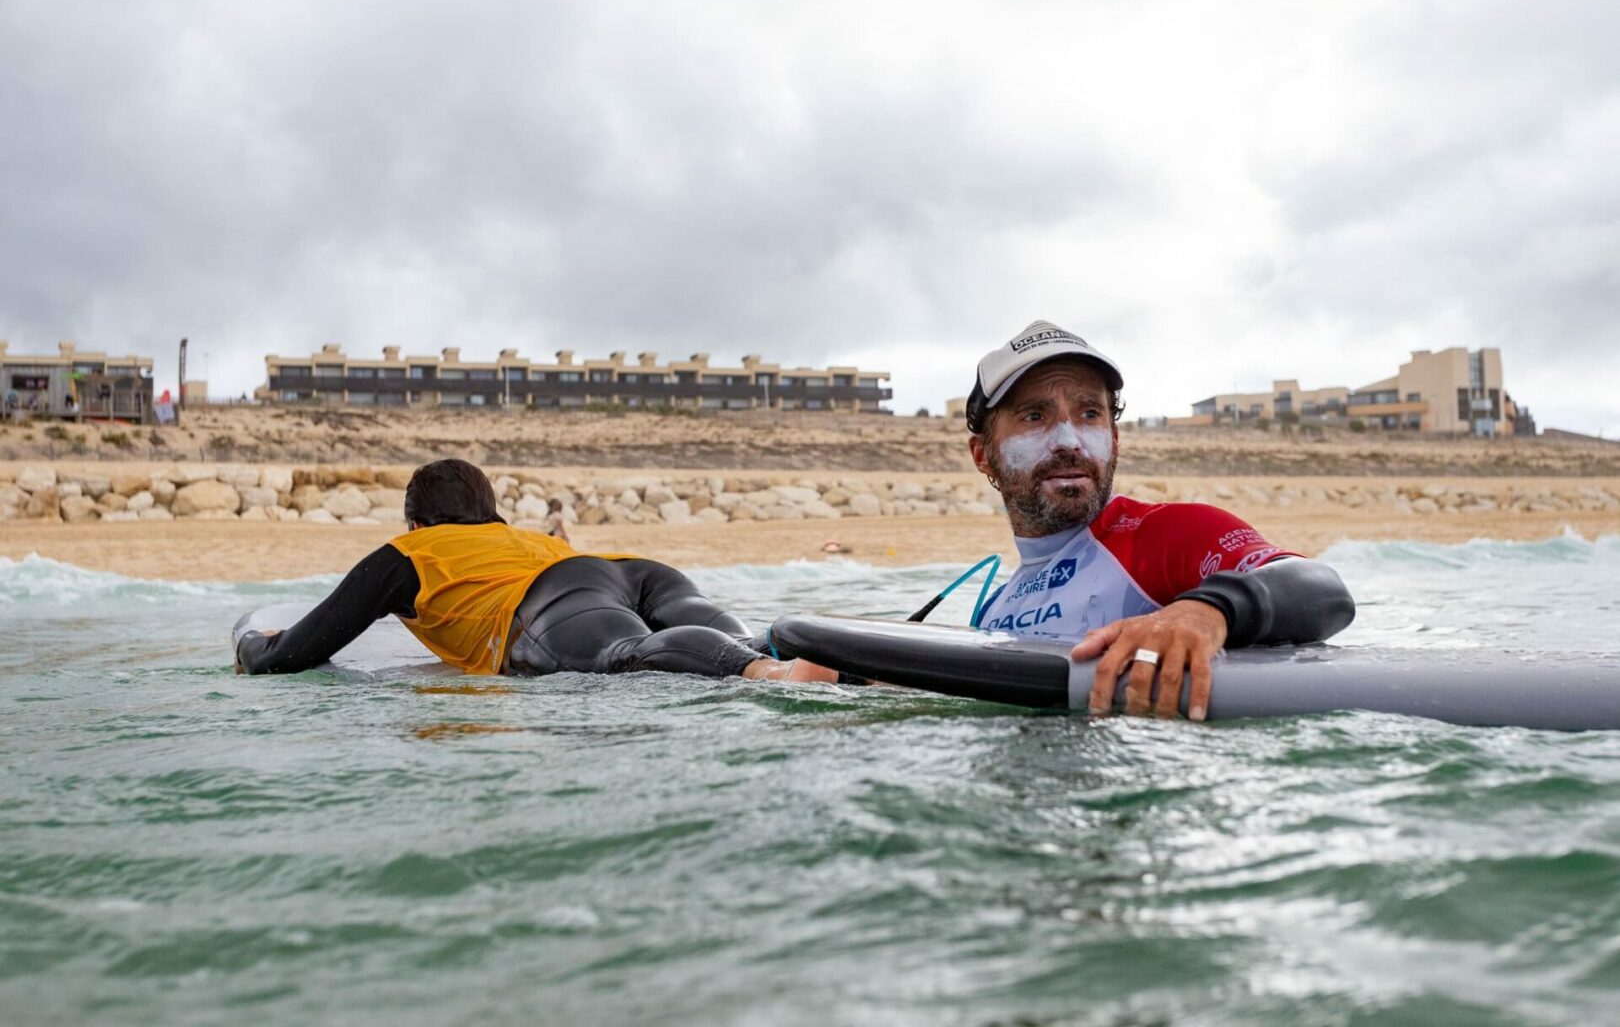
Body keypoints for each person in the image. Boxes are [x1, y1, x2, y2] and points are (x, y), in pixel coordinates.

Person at [965, 321, 1356, 721]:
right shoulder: (994, 610)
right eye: (1034, 416)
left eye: (1089, 413)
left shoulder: (1167, 535)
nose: (1069, 440)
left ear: (1114, 439)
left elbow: (1324, 591)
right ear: (982, 454)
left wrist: (1205, 611)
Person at [235, 458, 836, 682]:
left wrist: (254, 649)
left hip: (548, 603)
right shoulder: (521, 538)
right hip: (624, 570)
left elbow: (298, 650)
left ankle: (766, 672)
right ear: (489, 515)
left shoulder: (408, 554)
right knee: (741, 635)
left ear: (415, 523)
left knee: (625, 654)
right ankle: (810, 655)